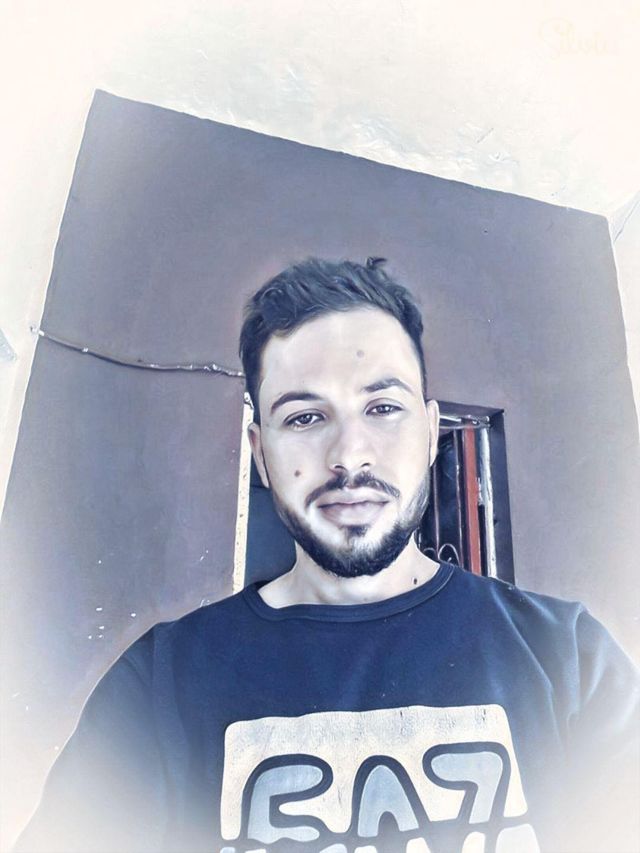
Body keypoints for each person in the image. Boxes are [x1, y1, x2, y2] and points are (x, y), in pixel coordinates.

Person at [16, 257, 640, 853]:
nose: (349, 455)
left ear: (430, 433)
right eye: (305, 417)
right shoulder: (157, 692)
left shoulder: (571, 661)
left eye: (383, 408)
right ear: (261, 454)